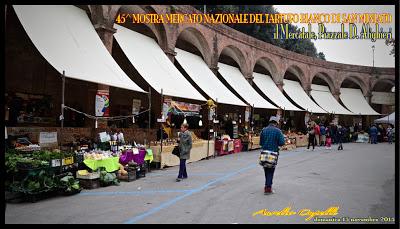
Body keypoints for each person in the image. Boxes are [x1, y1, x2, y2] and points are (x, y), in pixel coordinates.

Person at [259, 116, 285, 195]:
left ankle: (267, 185)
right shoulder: (278, 131)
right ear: (276, 123)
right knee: (271, 170)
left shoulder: (263, 130)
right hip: (273, 153)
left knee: (266, 169)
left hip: (264, 153)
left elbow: (261, 143)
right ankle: (268, 188)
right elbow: (282, 143)